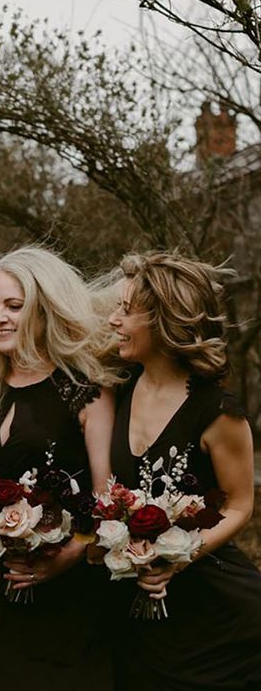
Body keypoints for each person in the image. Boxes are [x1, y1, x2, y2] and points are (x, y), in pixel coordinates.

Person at [0, 246, 116, 691]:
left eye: (14, 306)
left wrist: (70, 555)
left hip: (65, 594)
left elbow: (108, 498)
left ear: (44, 309)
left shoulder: (84, 391)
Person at [107, 251, 261, 690]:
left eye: (126, 310)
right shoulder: (117, 389)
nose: (114, 320)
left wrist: (176, 558)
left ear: (162, 322)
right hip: (139, 621)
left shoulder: (217, 411)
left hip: (219, 622)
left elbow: (240, 505)